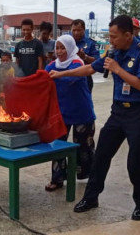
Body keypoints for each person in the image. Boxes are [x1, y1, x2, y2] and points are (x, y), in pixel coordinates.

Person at [50, 15, 140, 221]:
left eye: (114, 37)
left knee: (136, 162)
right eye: (109, 36)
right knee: (101, 155)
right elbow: (91, 68)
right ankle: (91, 197)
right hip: (118, 112)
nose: (111, 41)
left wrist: (118, 69)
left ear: (128, 35)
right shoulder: (113, 51)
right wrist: (61, 74)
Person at [44, 35, 96, 191]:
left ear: (71, 48)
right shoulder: (52, 65)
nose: (59, 51)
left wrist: (58, 76)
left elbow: (73, 78)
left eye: (63, 48)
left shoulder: (77, 63)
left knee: (83, 147)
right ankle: (57, 179)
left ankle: (90, 177)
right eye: (57, 48)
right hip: (61, 113)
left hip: (81, 112)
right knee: (58, 146)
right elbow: (41, 80)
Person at [71, 19, 100, 92]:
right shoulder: (67, 43)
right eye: (74, 30)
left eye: (79, 30)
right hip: (69, 78)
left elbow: (97, 61)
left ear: (84, 30)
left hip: (85, 79)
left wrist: (85, 57)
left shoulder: (91, 43)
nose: (76, 33)